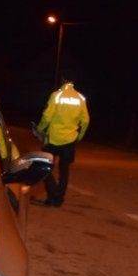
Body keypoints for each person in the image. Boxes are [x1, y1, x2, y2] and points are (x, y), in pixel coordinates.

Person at [34, 77, 90, 207]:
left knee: (45, 168)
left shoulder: (56, 95)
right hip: (70, 140)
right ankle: (58, 199)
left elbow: (47, 116)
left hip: (53, 139)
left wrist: (40, 128)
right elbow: (86, 120)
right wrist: (79, 136)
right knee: (64, 170)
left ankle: (52, 194)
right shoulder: (81, 98)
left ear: (63, 81)